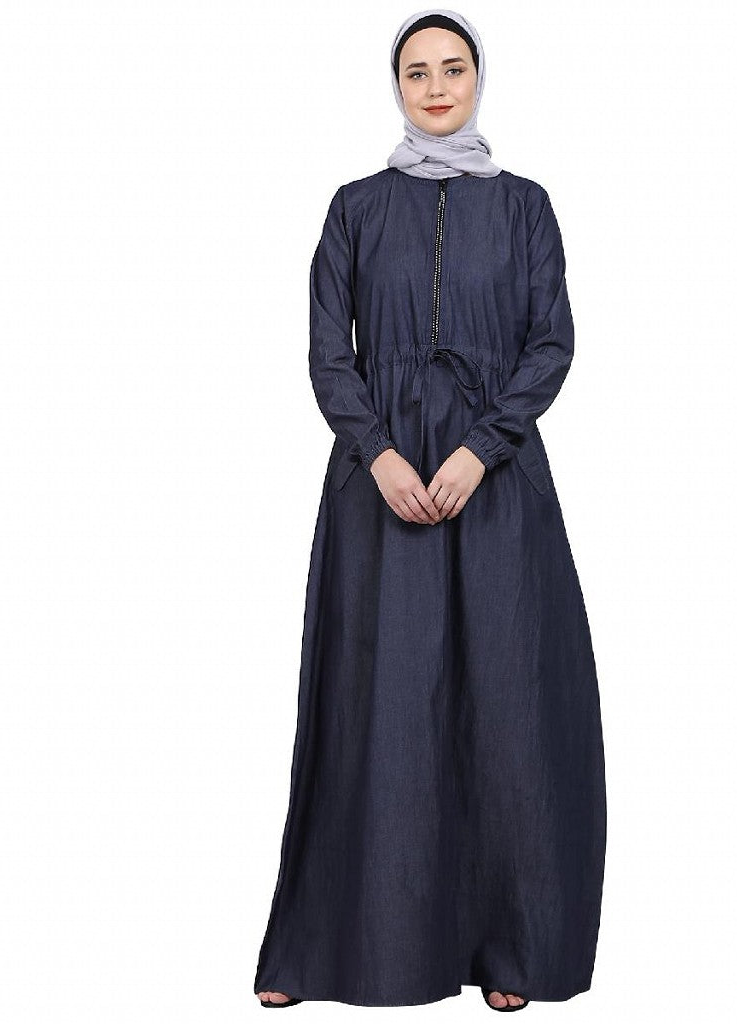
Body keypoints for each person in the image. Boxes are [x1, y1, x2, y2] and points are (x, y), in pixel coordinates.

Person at [253, 8, 606, 1011]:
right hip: (380, 490)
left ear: (478, 79)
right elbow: (329, 353)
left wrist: (479, 449)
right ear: (396, 86)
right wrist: (376, 453)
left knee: (508, 704)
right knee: (377, 710)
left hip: (496, 487)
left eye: (454, 68)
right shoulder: (354, 208)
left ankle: (513, 951)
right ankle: (330, 952)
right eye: (417, 71)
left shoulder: (526, 206)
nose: (437, 86)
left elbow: (549, 344)